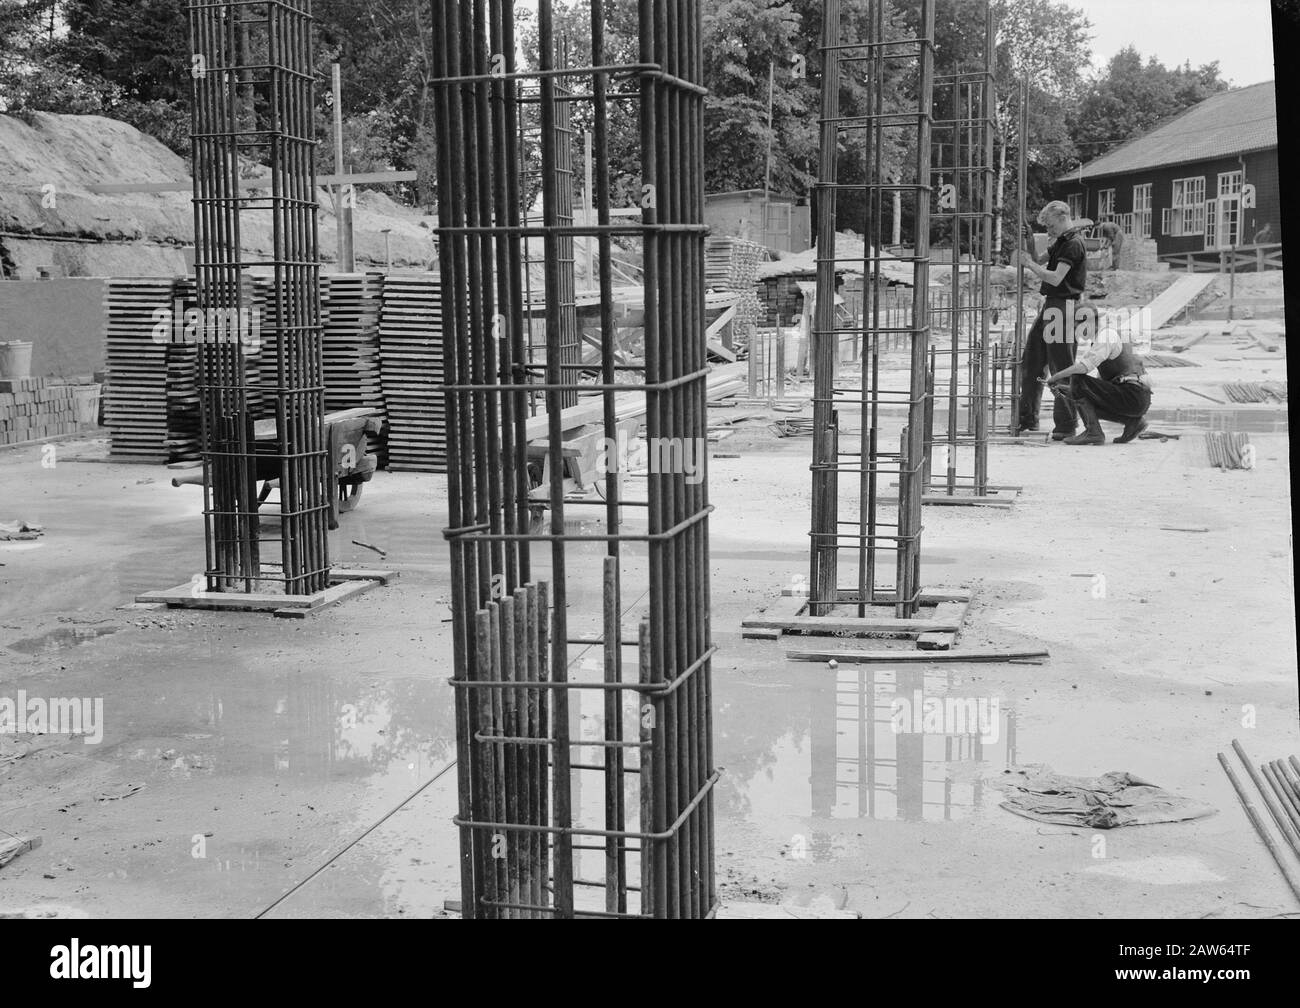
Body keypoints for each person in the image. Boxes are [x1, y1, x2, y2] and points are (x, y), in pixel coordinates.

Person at [1011, 200, 1086, 439]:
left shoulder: (1073, 244)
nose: (1050, 231)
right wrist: (1031, 241)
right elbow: (1040, 258)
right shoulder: (1062, 241)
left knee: (1061, 367)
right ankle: (1027, 418)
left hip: (1063, 308)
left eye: (1051, 226)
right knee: (1032, 361)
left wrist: (1029, 264)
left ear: (1063, 217)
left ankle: (1066, 424)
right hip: (1051, 306)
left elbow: (1055, 278)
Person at [1044, 303, 1152, 445]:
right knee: (1078, 391)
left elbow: (1084, 368)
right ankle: (1133, 422)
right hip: (1134, 396)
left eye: (1077, 326)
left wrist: (1056, 377)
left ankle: (1093, 432)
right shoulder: (1105, 337)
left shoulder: (1106, 336)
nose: (1076, 330)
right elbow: (1094, 392)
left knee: (1077, 378)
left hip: (1134, 394)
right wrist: (1069, 392)